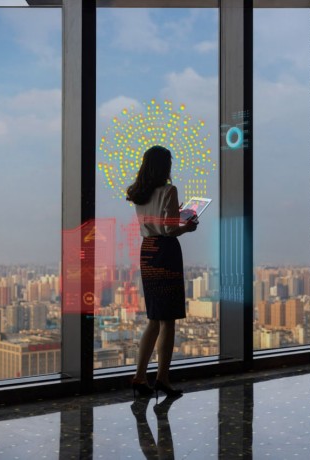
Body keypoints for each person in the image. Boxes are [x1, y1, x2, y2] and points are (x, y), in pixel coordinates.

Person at [127, 145, 198, 398]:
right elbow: (169, 229)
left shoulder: (138, 193)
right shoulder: (169, 190)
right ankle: (163, 378)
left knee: (154, 318)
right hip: (166, 252)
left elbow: (157, 222)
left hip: (147, 250)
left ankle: (139, 376)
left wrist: (173, 213)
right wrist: (186, 227)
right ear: (164, 166)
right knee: (168, 320)